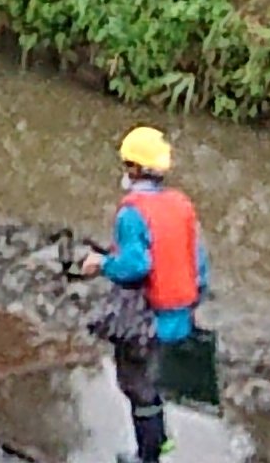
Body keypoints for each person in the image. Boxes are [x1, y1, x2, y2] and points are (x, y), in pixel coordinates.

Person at [96, 125, 207, 463]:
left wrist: (100, 264)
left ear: (134, 168)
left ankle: (149, 454)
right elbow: (199, 262)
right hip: (181, 316)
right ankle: (161, 440)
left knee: (136, 387)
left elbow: (135, 266)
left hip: (148, 321)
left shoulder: (132, 213)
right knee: (156, 381)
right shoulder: (181, 205)